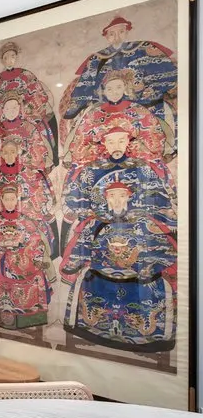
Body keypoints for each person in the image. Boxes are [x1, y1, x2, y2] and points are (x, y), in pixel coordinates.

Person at [59, 180, 177, 352]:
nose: (116, 201)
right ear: (106, 198)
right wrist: (79, 263)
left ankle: (147, 341)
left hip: (136, 282)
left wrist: (147, 267)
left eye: (122, 196)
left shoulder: (143, 222)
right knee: (85, 282)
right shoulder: (95, 222)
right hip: (100, 279)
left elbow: (164, 251)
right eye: (112, 196)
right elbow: (81, 247)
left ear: (129, 197)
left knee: (155, 289)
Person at [60, 15, 177, 152]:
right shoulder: (97, 59)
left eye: (121, 32)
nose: (117, 37)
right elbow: (86, 85)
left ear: (127, 31)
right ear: (106, 36)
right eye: (111, 34)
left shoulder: (143, 49)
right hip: (106, 101)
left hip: (142, 100)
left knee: (160, 112)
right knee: (85, 122)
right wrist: (90, 100)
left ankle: (164, 148)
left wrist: (147, 88)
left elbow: (165, 74)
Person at [60, 124, 174, 249]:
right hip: (101, 220)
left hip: (136, 220)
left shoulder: (141, 166)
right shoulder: (92, 168)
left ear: (127, 142)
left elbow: (157, 197)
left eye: (121, 141)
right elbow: (77, 197)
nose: (116, 146)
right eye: (111, 142)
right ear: (105, 144)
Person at [0, 185, 55, 330]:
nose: (9, 202)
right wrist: (0, 246)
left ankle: (27, 320)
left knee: (36, 273)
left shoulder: (26, 221)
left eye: (12, 199)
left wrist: (18, 248)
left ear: (17, 200)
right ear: (1, 200)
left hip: (21, 261)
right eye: (6, 199)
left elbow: (35, 241)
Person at [64, 68, 169, 167]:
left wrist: (129, 147)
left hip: (136, 161)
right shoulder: (93, 114)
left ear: (125, 87)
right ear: (103, 91)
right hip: (101, 161)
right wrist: (104, 149)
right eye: (109, 89)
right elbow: (81, 143)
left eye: (118, 87)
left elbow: (153, 140)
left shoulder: (138, 110)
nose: (114, 92)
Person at [0, 41, 58, 161]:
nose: (9, 60)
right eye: (6, 58)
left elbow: (37, 94)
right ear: (2, 60)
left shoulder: (26, 75)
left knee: (43, 126)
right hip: (2, 114)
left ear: (16, 57)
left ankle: (47, 158)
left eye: (12, 56)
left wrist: (25, 106)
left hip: (23, 112)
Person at [0, 138, 58, 257]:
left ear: (18, 152)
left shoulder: (32, 173)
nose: (9, 156)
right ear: (0, 153)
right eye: (6, 152)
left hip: (26, 219)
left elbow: (45, 198)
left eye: (12, 151)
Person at [0, 92, 53, 172]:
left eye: (14, 108)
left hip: (24, 169)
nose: (11, 112)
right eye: (7, 109)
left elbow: (38, 149)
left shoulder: (29, 127)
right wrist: (1, 154)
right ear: (2, 109)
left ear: (19, 108)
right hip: (0, 169)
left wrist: (21, 152)